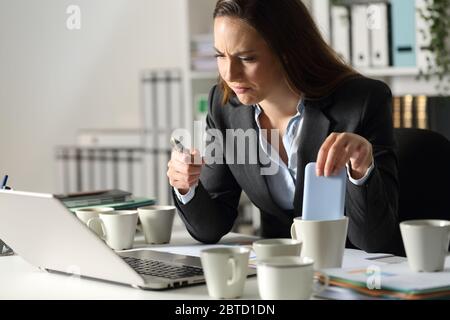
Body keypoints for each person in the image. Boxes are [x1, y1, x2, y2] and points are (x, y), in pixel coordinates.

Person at [167, 0, 399, 254]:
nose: (230, 74)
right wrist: (186, 186)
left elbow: (374, 240)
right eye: (220, 56)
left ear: (288, 51)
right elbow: (210, 227)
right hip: (278, 270)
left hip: (351, 270)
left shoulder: (363, 102)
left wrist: (361, 170)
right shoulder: (224, 107)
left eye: (246, 58)